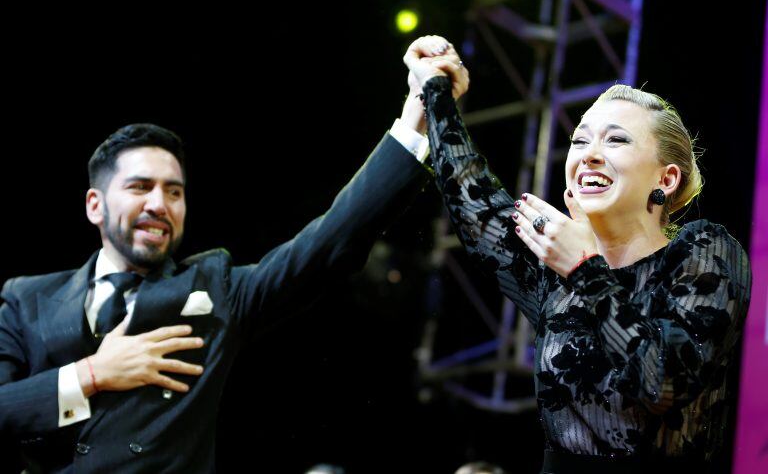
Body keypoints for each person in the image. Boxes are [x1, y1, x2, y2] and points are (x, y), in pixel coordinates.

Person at [0, 85, 441, 473]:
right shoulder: (26, 298)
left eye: (174, 191)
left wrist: (413, 121)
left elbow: (329, 243)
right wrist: (92, 374)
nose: (160, 204)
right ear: (95, 205)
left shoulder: (215, 288)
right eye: (140, 187)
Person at [403, 35, 751, 473]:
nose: (589, 156)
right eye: (580, 141)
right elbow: (472, 199)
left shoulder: (706, 251)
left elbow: (662, 381)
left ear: (666, 178)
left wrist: (584, 268)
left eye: (616, 141)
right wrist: (436, 88)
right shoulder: (554, 276)